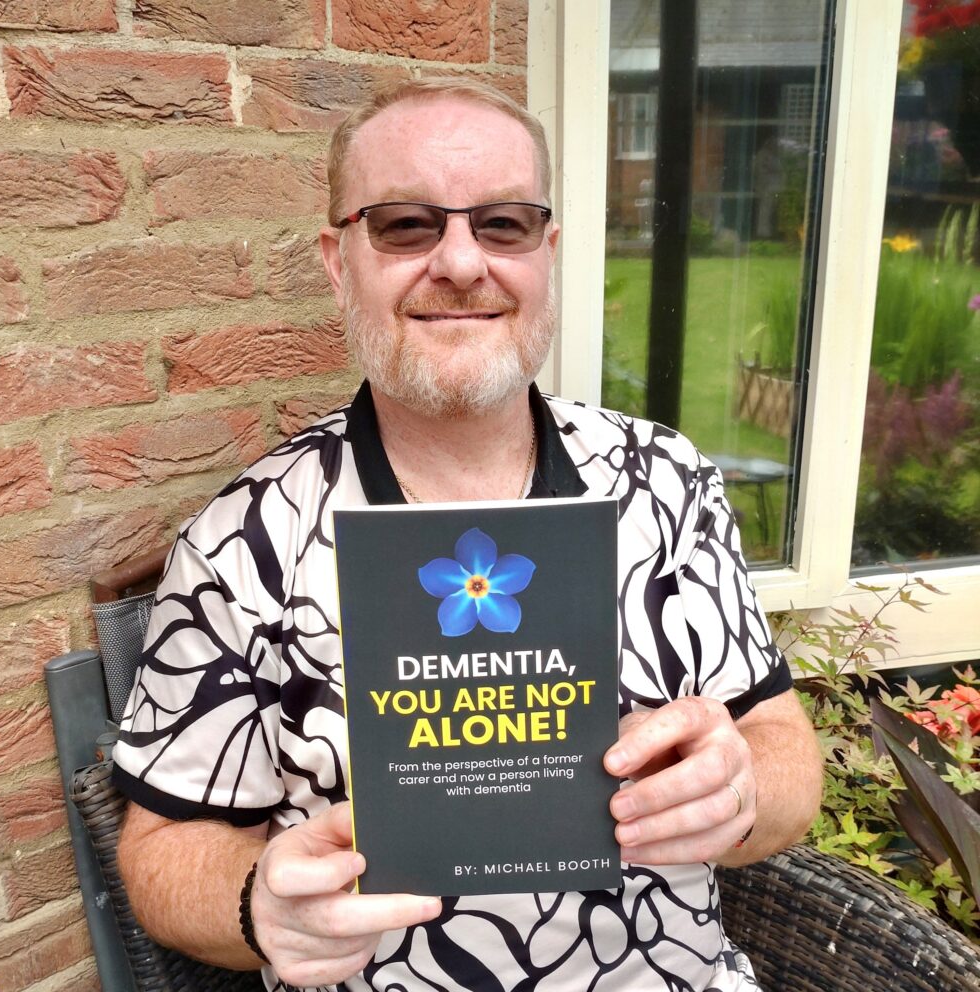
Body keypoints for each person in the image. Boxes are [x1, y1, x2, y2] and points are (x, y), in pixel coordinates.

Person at [113, 78, 822, 992]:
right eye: (406, 225)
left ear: (547, 252)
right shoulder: (242, 540)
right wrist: (254, 904)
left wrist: (743, 791)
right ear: (339, 261)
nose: (459, 262)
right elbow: (167, 842)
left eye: (504, 224)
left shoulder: (666, 481)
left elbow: (780, 742)